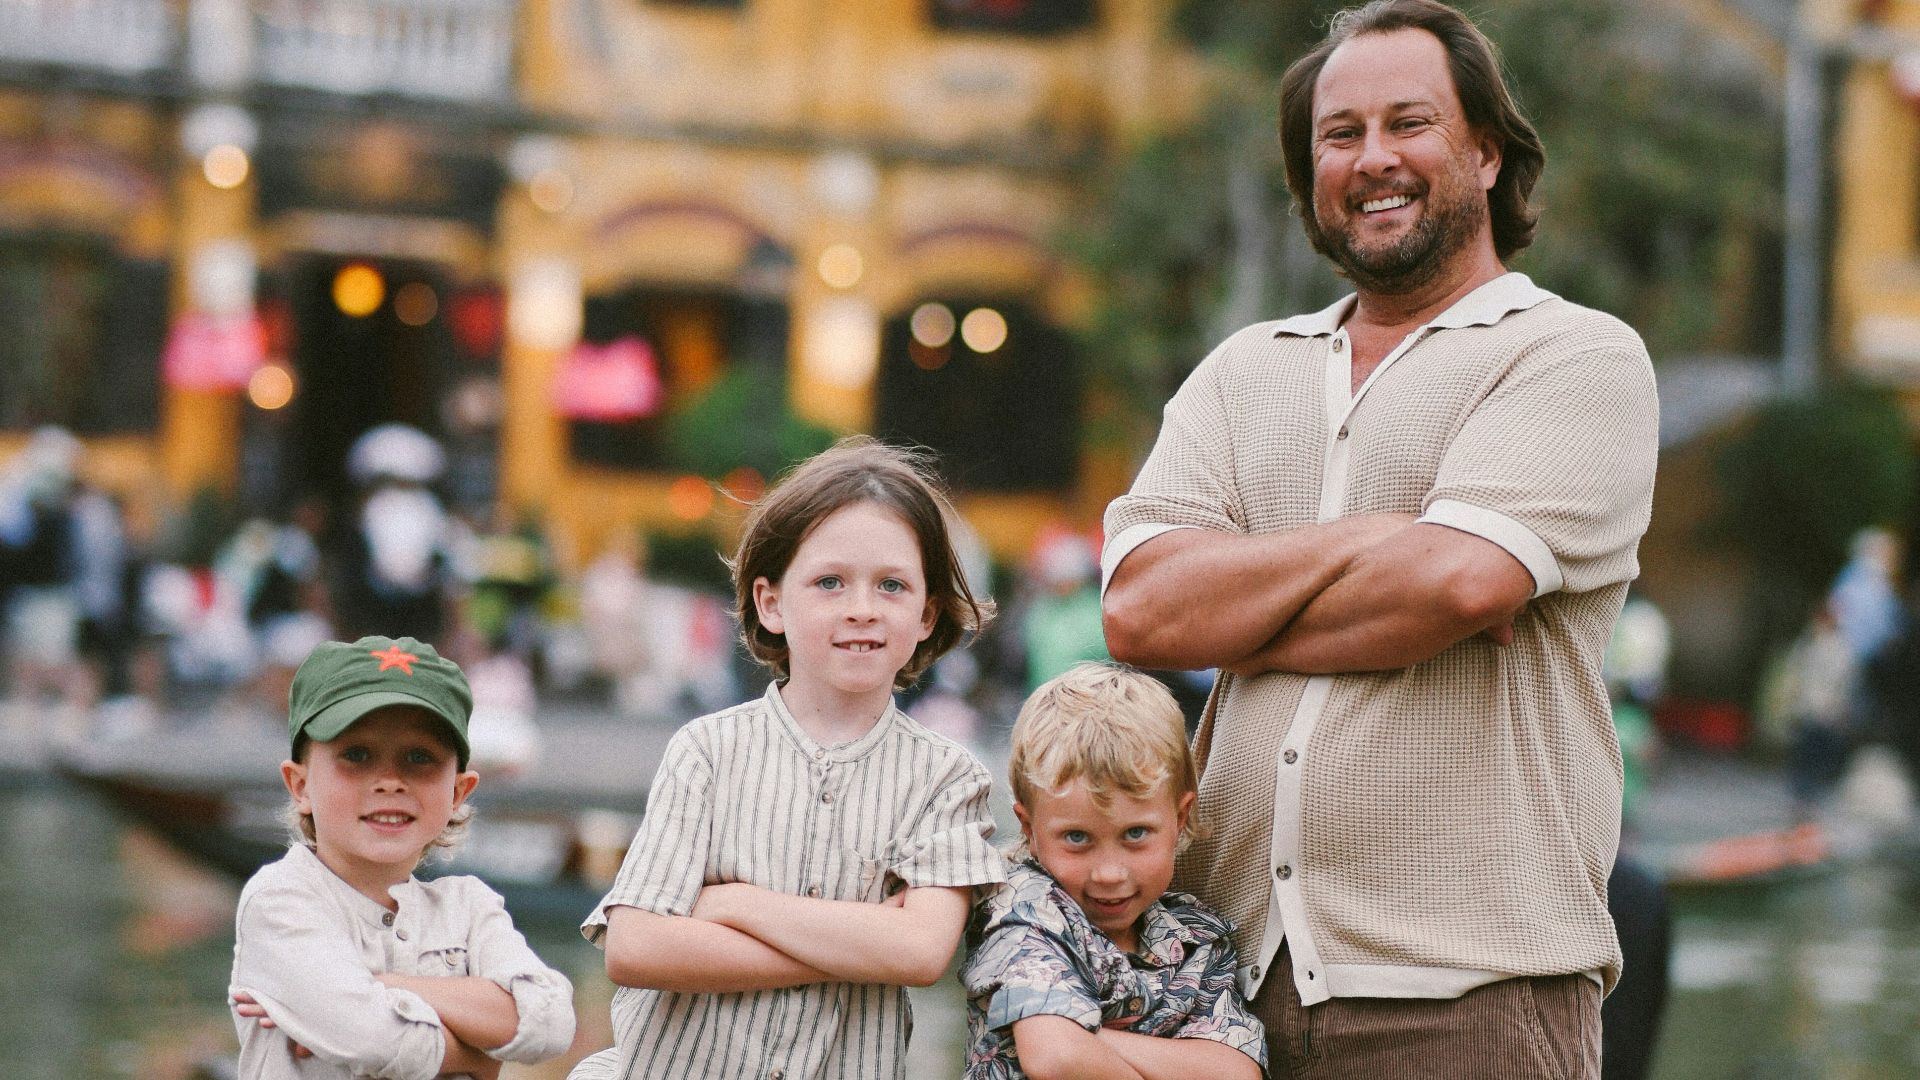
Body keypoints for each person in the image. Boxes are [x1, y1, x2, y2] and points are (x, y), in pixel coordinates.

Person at [1099, 1, 1659, 1075]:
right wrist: (1377, 539)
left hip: (1469, 998)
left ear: (1487, 152)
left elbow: (1452, 586)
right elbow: (1143, 611)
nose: (1373, 159)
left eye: (1411, 124)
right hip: (1217, 1000)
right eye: (1339, 134)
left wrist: (1247, 604)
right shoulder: (1240, 373)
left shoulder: (1574, 358)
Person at [572, 437, 1008, 1080]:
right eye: (829, 582)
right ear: (771, 603)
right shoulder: (707, 752)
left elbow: (918, 952)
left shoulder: (947, 778)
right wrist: (861, 942)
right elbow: (635, 947)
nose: (862, 607)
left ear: (926, 614)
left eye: (891, 585)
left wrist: (734, 905)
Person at [227, 635, 576, 1079]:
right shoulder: (280, 899)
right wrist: (482, 1052)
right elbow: (372, 1039)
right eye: (356, 754)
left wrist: (386, 987)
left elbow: (551, 1023)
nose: (390, 781)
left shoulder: (470, 906)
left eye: (418, 757)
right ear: (300, 786)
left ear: (458, 793)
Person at [960, 662, 1265, 1080]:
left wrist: (1088, 1030)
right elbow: (1055, 1056)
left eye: (1135, 833)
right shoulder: (1025, 909)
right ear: (1030, 829)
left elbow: (1236, 1073)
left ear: (1180, 818)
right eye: (1078, 838)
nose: (1108, 873)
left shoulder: (1199, 938)